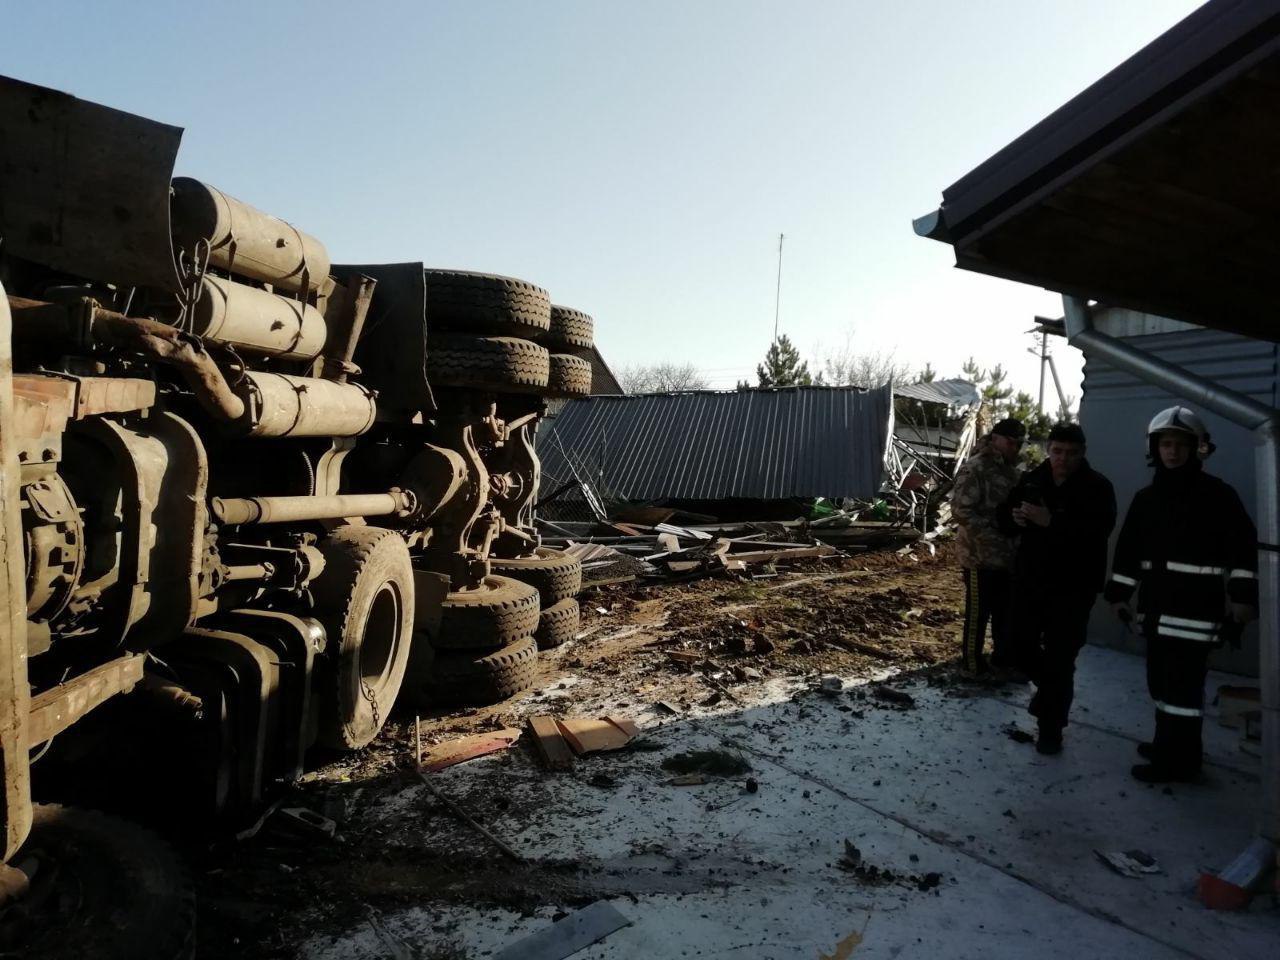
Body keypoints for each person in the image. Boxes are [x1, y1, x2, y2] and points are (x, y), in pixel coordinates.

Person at [1104, 406, 1258, 784]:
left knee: (1182, 692)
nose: (1172, 452)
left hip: (1196, 613)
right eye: (1166, 444)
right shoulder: (1147, 498)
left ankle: (1178, 762)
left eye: (1180, 445)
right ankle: (1169, 745)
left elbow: (1243, 552)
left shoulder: (1218, 496)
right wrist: (1119, 594)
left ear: (1197, 448)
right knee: (1160, 684)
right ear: (1154, 448)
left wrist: (1243, 599)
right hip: (1156, 610)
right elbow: (1128, 551)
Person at [999, 423, 1116, 754]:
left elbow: (1099, 532)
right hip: (1031, 581)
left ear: (1083, 453)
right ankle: (1049, 691)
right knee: (1018, 647)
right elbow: (1003, 516)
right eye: (1058, 451)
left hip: (1074, 587)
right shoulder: (1032, 480)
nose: (1063, 458)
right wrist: (1014, 518)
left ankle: (1051, 730)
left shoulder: (1097, 487)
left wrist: (1051, 521)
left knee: (1061, 657)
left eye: (1071, 453)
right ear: (1048, 449)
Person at [950, 417, 1024, 676]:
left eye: (1019, 443)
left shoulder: (1012, 471)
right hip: (978, 556)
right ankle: (972, 666)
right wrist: (995, 531)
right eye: (1010, 442)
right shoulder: (976, 468)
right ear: (995, 439)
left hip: (1006, 556)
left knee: (1005, 612)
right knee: (978, 614)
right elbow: (961, 511)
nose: (1015, 447)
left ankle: (1002, 660)